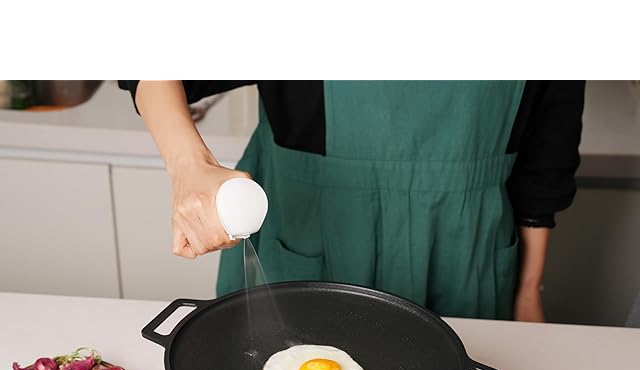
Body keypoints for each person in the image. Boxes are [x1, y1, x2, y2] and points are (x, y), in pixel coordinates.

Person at [119, 80, 585, 321]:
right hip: (308, 239)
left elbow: (547, 157)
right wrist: (189, 165)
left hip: (464, 255)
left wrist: (528, 291)